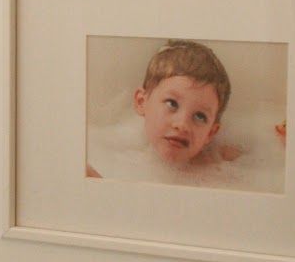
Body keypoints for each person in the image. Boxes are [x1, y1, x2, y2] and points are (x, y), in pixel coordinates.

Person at [86, 41, 239, 178]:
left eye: (200, 116)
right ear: (141, 102)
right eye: (172, 104)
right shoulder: (109, 149)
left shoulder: (221, 166)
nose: (182, 124)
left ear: (210, 133)